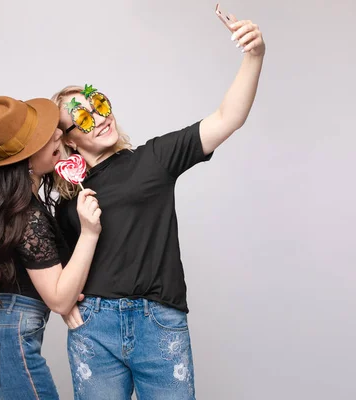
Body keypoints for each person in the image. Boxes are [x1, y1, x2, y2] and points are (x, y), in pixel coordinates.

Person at [52, 17, 265, 399]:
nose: (100, 118)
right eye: (83, 117)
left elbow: (227, 118)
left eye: (99, 103)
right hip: (94, 328)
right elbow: (56, 270)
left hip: (158, 321)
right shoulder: (68, 200)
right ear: (68, 141)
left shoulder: (154, 158)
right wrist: (64, 304)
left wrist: (254, 55)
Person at [0, 95, 101, 399]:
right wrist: (89, 232)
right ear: (26, 159)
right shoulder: (28, 215)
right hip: (4, 345)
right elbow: (60, 300)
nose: (59, 134)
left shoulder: (10, 206)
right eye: (47, 136)